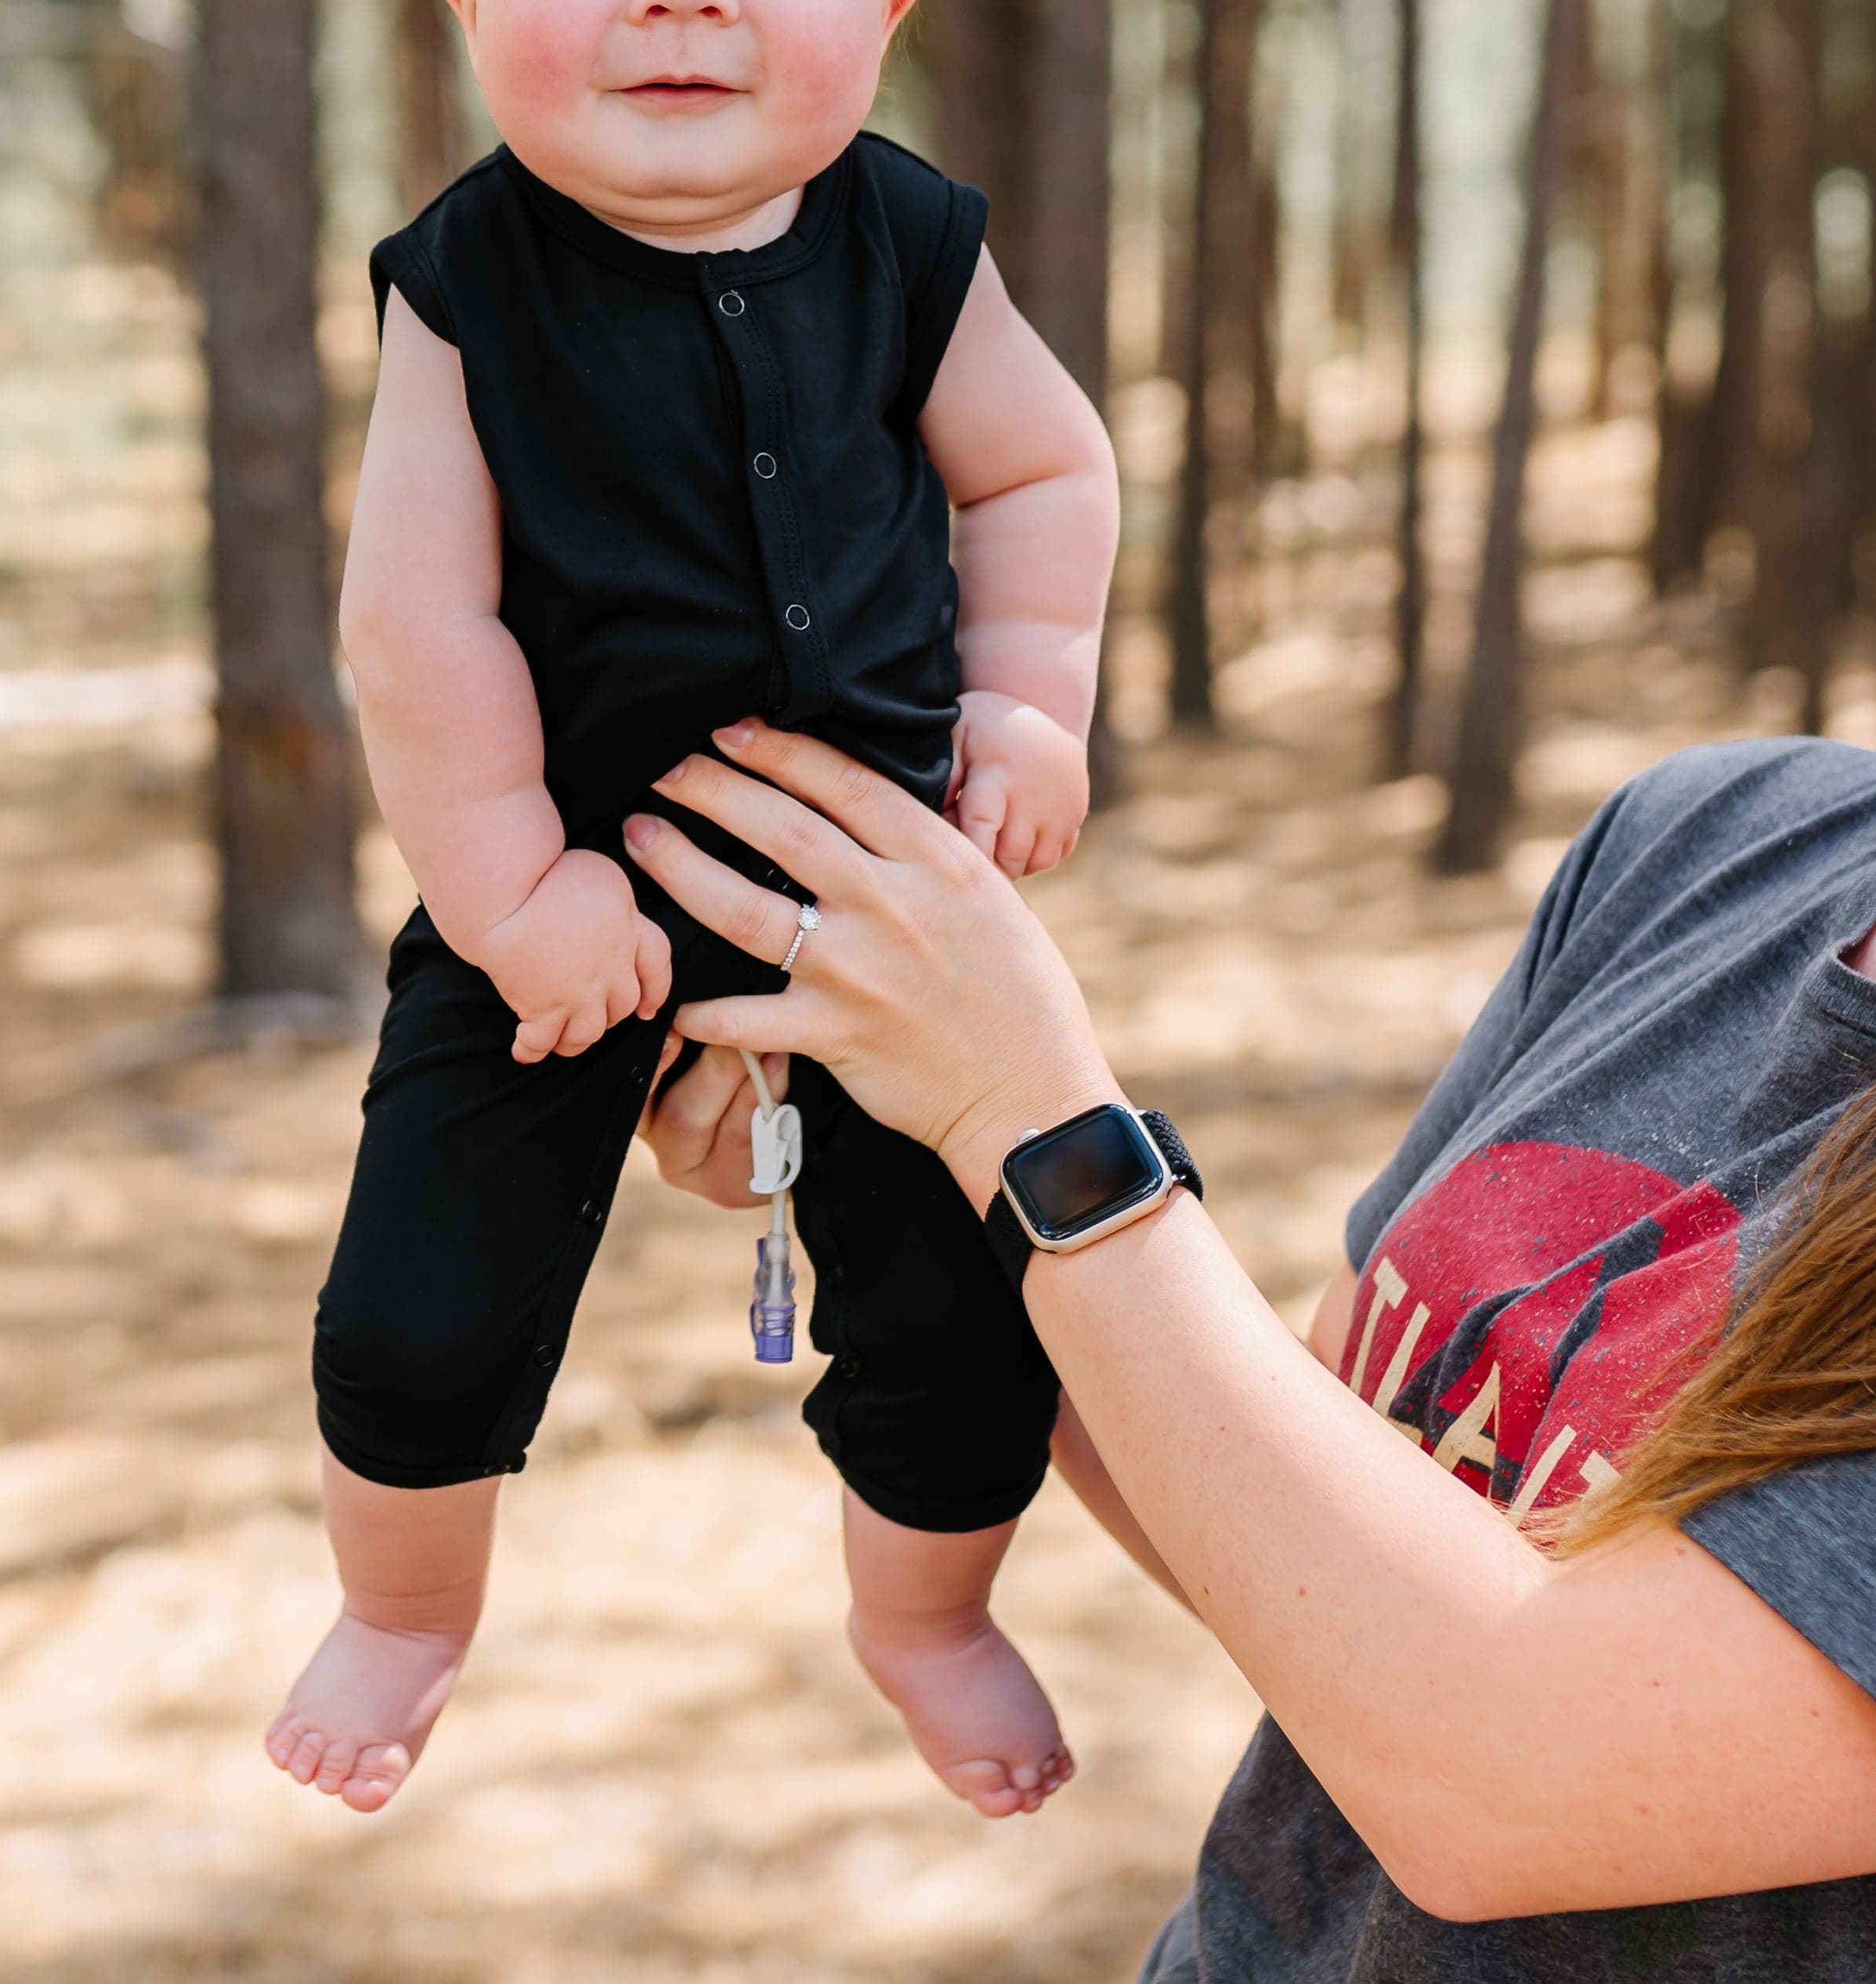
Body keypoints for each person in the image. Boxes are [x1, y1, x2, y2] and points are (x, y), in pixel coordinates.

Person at [263, 0, 1121, 1818]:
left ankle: (925, 1614)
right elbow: (413, 619)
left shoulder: (912, 248)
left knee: (964, 1316)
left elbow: (1042, 478)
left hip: (883, 891)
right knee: (418, 1316)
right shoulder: (468, 288)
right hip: (557, 896)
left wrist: (1028, 695)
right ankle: (405, 1603)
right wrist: (506, 881)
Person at [627, 717, 1876, 1975]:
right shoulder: (1718, 833)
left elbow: (1499, 1782)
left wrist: (1023, 1117)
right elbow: (1314, 1531)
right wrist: (910, 1137)